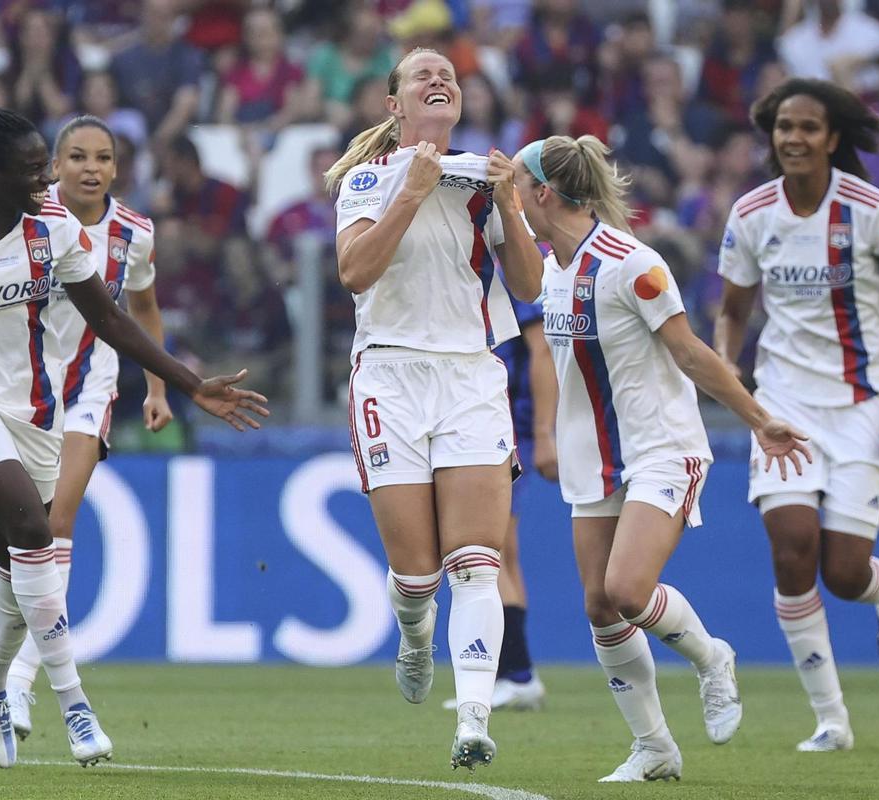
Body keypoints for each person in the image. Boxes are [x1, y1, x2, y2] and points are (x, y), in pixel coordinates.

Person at [0, 99, 268, 769]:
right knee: (35, 529)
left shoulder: (52, 231)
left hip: (33, 405)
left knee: (16, 553)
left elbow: (114, 320)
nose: (48, 183)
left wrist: (187, 384)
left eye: (48, 168)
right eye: (35, 171)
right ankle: (74, 703)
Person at [513, 134, 812, 782]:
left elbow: (692, 352)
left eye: (515, 184)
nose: (510, 196)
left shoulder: (631, 263)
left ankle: (712, 658)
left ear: (541, 193)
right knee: (598, 605)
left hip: (661, 447)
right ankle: (655, 748)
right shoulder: (548, 269)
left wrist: (759, 419)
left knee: (626, 589)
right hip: (594, 458)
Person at [325, 48, 545, 769]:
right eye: (422, 75)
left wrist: (512, 201)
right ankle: (414, 635)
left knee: (475, 562)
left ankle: (475, 718)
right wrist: (411, 192)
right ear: (394, 106)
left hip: (470, 377)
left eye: (448, 74)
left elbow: (529, 282)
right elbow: (355, 272)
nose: (439, 80)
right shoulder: (367, 179)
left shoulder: (486, 179)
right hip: (388, 375)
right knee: (416, 577)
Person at [714, 78, 879, 752]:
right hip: (783, 405)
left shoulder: (874, 213)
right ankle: (831, 721)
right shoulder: (752, 214)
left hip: (864, 407)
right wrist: (731, 371)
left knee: (845, 574)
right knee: (792, 549)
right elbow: (732, 310)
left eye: (809, 127)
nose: (794, 138)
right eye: (785, 127)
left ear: (833, 138)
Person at [0, 115, 171, 742]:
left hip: (86, 391)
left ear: (116, 167)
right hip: (12, 389)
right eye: (76, 156)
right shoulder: (26, 219)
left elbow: (145, 307)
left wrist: (157, 388)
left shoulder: (133, 233)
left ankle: (18, 686)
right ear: (53, 164)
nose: (90, 168)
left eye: (102, 157)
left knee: (53, 526)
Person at [442, 292, 558, 713]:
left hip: (503, 421)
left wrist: (544, 433)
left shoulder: (507, 266)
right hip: (493, 417)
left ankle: (518, 673)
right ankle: (513, 673)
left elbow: (542, 348)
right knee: (503, 553)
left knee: (487, 549)